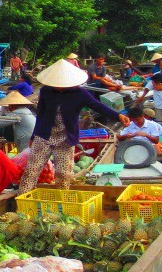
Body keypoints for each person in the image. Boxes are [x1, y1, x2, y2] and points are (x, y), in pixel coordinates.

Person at [20, 61, 129, 191]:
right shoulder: (46, 91)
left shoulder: (80, 93)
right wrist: (34, 136)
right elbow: (41, 114)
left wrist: (118, 116)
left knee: (63, 174)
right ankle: (21, 197)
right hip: (44, 136)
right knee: (31, 170)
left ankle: (62, 203)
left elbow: (98, 106)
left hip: (66, 138)